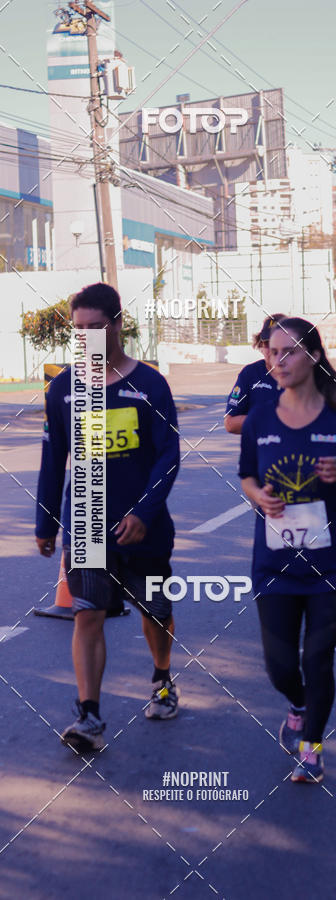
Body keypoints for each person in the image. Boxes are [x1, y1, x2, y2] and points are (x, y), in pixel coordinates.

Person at [35, 283, 181, 754]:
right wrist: (45, 523)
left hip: (146, 530)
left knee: (155, 612)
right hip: (87, 526)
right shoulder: (63, 389)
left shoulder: (150, 384)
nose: (86, 337)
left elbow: (168, 456)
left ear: (118, 324)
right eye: (78, 330)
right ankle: (89, 715)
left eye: (95, 328)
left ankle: (162, 679)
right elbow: (52, 457)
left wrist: (144, 512)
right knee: (87, 615)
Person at [239, 317, 336, 784]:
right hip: (275, 564)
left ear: (313, 355)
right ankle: (297, 704)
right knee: (280, 667)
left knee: (318, 658)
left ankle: (312, 749)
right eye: (273, 352)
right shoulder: (259, 417)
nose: (279, 361)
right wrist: (260, 498)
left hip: (330, 564)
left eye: (290, 351)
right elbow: (247, 477)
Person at [224, 314, 286, 434]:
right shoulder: (250, 374)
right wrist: (268, 420)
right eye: (268, 343)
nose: (274, 350)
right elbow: (230, 423)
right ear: (260, 345)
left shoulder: (306, 375)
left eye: (280, 344)